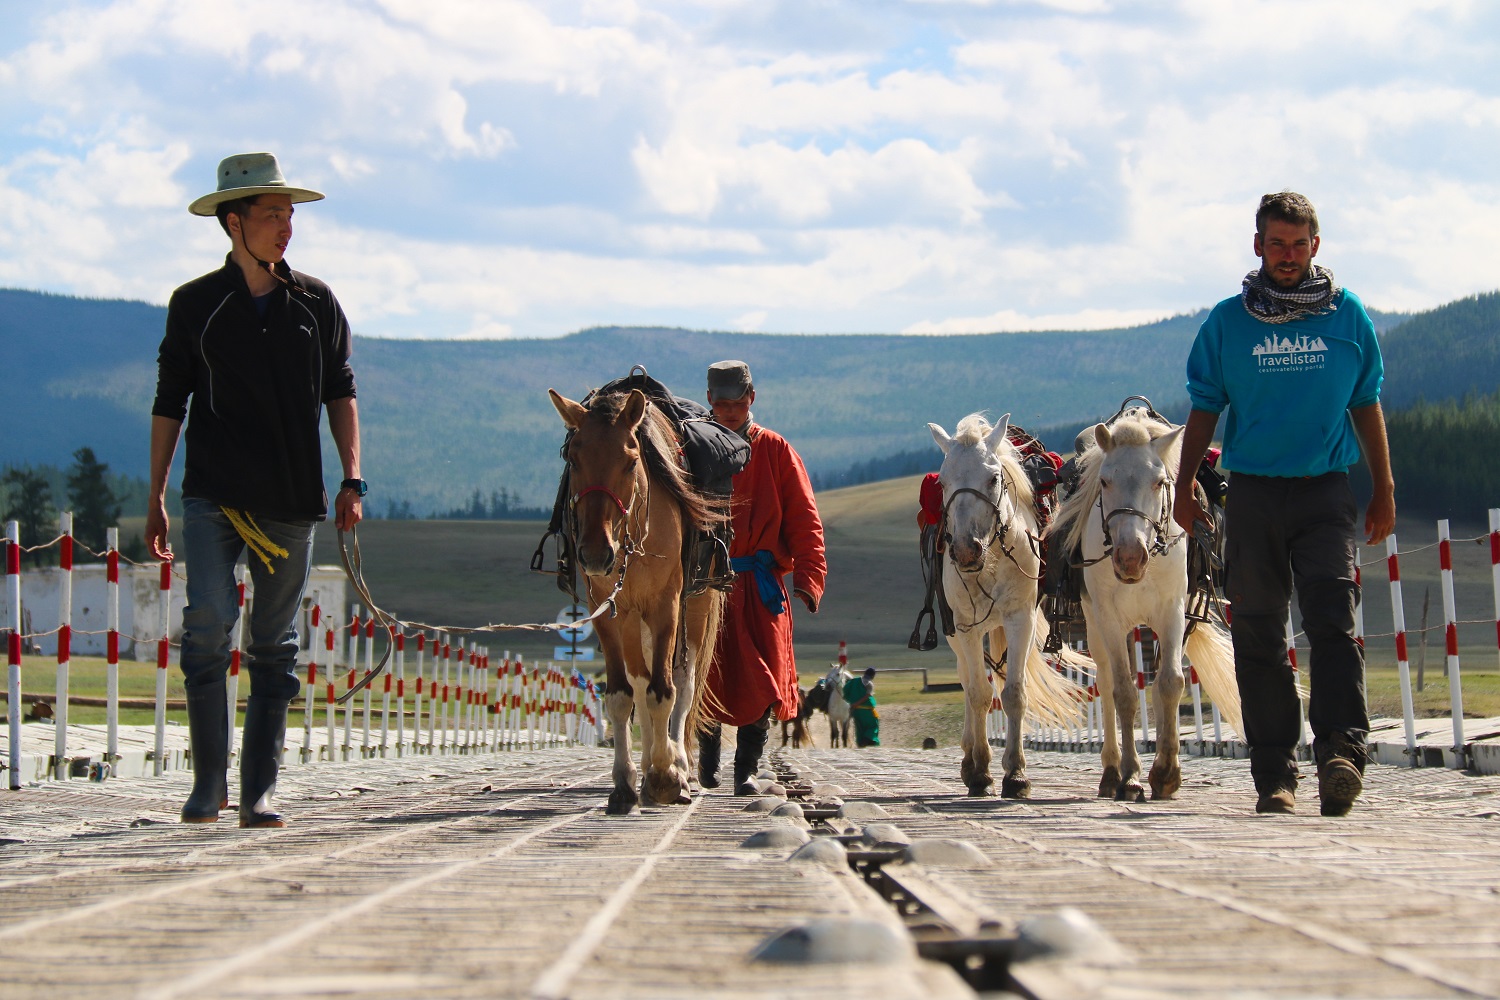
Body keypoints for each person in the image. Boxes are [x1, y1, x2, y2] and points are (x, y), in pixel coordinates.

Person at [147, 152, 364, 828]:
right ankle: (207, 786)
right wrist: (153, 495)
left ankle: (259, 791)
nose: (286, 226)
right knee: (208, 623)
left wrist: (352, 475)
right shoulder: (195, 306)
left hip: (292, 499)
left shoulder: (316, 303)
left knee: (274, 643)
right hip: (212, 496)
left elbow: (341, 392)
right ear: (233, 222)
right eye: (272, 215)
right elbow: (168, 403)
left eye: (290, 214)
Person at [1172, 190, 1395, 817]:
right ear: (1258, 246)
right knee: (1258, 633)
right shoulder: (1228, 322)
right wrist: (1187, 483)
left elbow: (1367, 404)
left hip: (1325, 492)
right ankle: (1275, 774)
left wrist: (1385, 488)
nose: (1288, 255)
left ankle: (1341, 755)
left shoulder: (1348, 318)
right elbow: (1205, 407)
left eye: (1299, 245)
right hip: (1254, 494)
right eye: (1277, 244)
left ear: (1316, 246)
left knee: (1332, 620)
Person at [698, 360, 827, 793]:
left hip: (760, 584)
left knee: (765, 675)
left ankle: (747, 770)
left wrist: (810, 576)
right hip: (706, 582)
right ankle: (707, 762)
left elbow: (804, 517)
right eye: (721, 403)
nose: (730, 410)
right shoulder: (694, 449)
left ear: (752, 399)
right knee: (704, 672)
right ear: (709, 401)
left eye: (738, 402)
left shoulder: (775, 450)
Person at [843, 667, 880, 747]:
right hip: (866, 711)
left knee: (859, 727)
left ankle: (860, 743)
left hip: (855, 711)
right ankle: (867, 740)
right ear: (873, 676)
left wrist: (851, 703)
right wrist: (856, 703)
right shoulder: (869, 684)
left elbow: (845, 692)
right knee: (873, 725)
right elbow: (866, 697)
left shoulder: (853, 681)